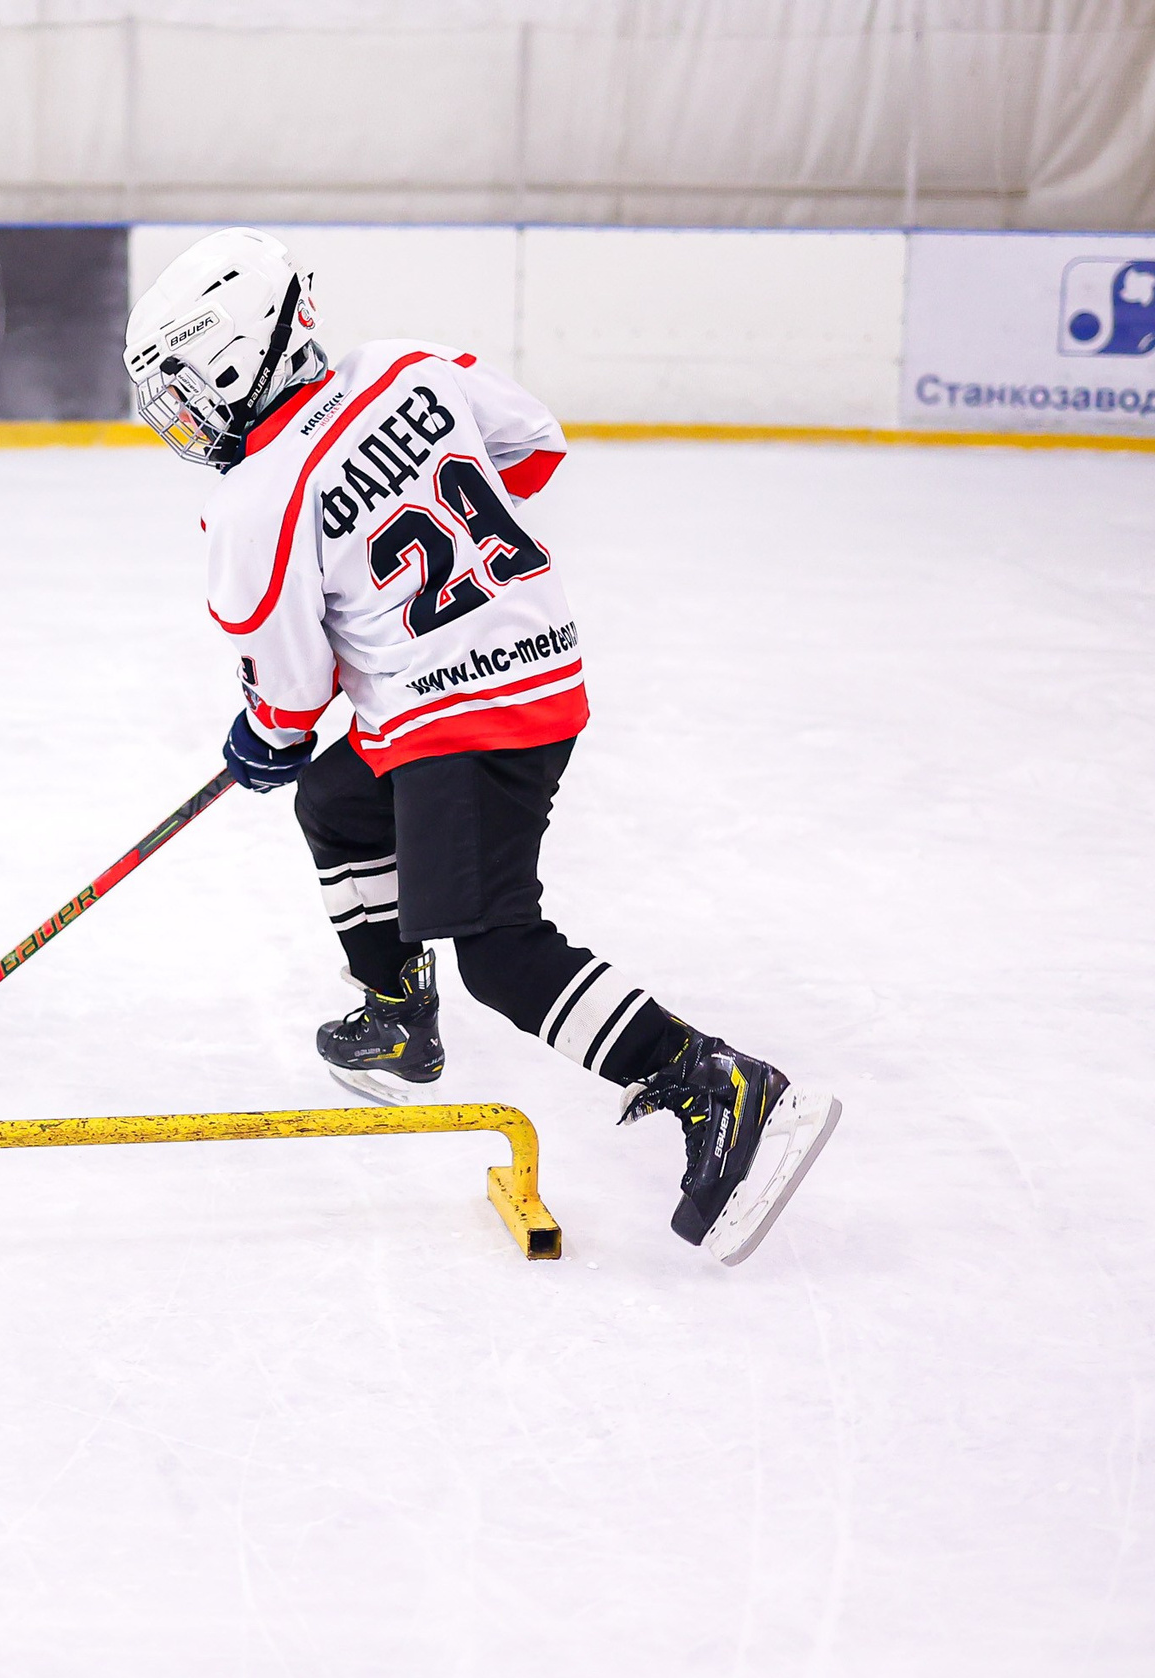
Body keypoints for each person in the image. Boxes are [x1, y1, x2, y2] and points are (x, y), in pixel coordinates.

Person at [122, 228, 842, 1266]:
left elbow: (292, 692)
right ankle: (396, 1014)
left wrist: (265, 735)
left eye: (185, 385)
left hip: (458, 725)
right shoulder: (408, 366)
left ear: (237, 358)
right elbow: (535, 446)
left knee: (502, 953)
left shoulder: (250, 504)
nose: (179, 417)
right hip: (535, 668)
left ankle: (715, 1085)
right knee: (337, 800)